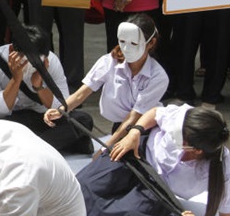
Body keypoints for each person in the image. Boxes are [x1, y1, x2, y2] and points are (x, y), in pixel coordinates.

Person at [76, 104, 230, 216]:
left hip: (158, 190)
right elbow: (155, 113)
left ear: (196, 150)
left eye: (178, 138)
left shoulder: (220, 170)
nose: (175, 134)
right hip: (137, 156)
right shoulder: (185, 118)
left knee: (118, 215)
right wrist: (134, 133)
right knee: (82, 188)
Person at [44, 13, 169, 152]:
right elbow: (82, 93)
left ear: (151, 43)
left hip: (145, 130)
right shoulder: (109, 62)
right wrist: (61, 109)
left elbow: (134, 116)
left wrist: (105, 148)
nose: (126, 49)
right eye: (122, 42)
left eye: (134, 43)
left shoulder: (158, 76)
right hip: (120, 128)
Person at [0, 24, 94, 154]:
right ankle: (57, 145)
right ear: (12, 51)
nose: (32, 66)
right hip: (12, 120)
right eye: (28, 61)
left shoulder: (51, 61)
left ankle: (28, 150)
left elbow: (63, 107)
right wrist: (16, 80)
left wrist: (39, 86)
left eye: (37, 62)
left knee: (83, 120)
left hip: (43, 118)